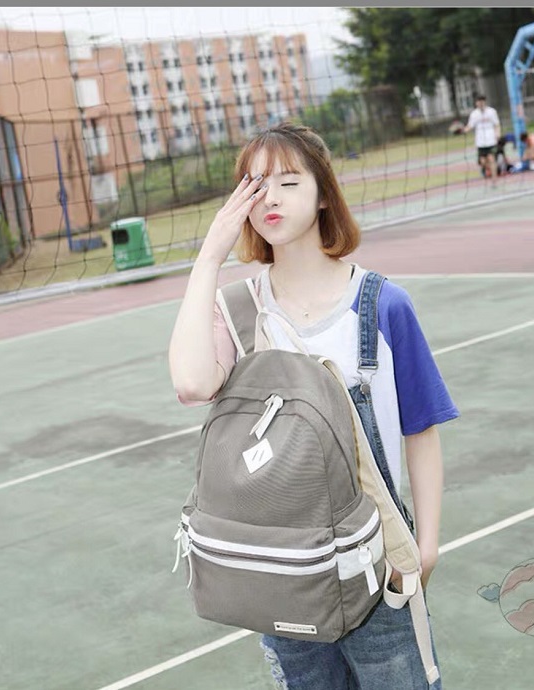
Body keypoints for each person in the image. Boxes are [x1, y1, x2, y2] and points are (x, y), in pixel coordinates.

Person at [169, 122, 459, 690]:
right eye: (255, 185)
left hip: (377, 571)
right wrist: (209, 257)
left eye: (288, 181)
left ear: (324, 193)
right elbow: (193, 383)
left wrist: (426, 547)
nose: (269, 198)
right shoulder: (240, 311)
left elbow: (421, 430)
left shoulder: (383, 305)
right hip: (285, 576)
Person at [463, 94, 501, 184]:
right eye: (478, 102)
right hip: (480, 142)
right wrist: (462, 130)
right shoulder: (474, 114)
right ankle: (494, 169)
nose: (480, 103)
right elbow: (470, 126)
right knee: (482, 162)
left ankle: (494, 180)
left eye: (482, 101)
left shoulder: (492, 112)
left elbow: (497, 124)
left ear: (485, 102)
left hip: (491, 140)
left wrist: (498, 134)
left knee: (491, 159)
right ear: (476, 103)